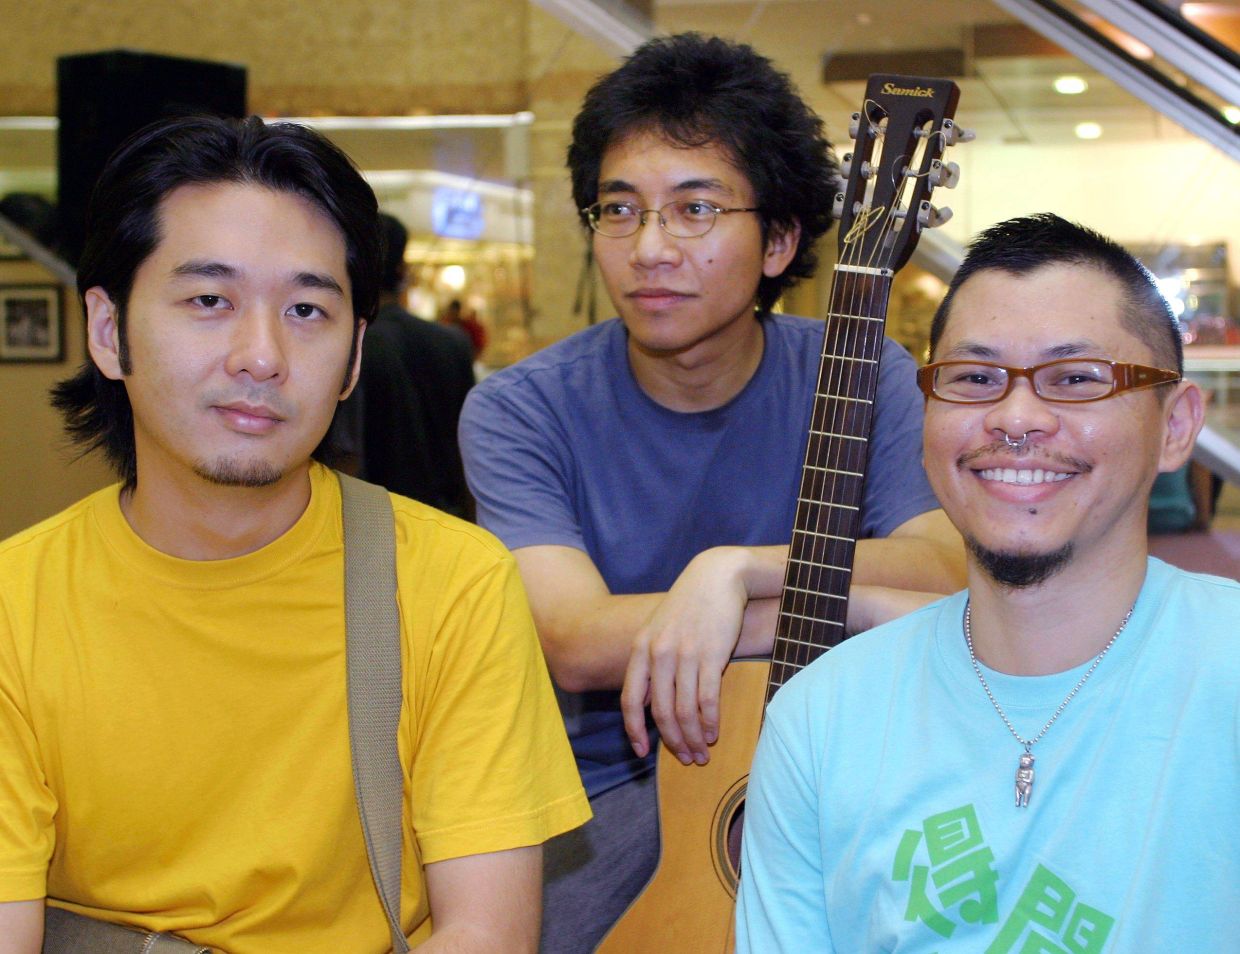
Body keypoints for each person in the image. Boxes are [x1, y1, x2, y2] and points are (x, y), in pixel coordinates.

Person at [0, 115, 589, 953]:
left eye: (308, 309)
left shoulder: (451, 582)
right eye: (210, 300)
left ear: (354, 356)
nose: (262, 355)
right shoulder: (16, 608)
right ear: (108, 330)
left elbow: (486, 935)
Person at [459, 32, 966, 951]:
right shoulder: (517, 410)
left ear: (777, 240)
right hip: (614, 786)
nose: (650, 248)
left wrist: (731, 575)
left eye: (694, 209)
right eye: (619, 211)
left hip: (850, 760)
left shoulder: (864, 373)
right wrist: (808, 606)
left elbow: (941, 570)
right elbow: (574, 640)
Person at [737, 213, 1237, 951]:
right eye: (973, 379)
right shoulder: (818, 717)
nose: (1017, 417)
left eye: (1075, 380)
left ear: (1175, 425)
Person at [336, 213, 476, 518]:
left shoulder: (347, 348)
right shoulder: (453, 342)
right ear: (402, 270)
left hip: (373, 526)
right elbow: (469, 444)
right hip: (448, 522)